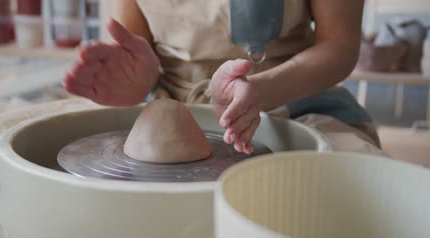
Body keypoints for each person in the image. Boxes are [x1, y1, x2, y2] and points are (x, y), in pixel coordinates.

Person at [63, 0, 381, 155]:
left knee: (359, 186)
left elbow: (338, 44)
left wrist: (260, 89)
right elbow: (132, 43)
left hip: (293, 96)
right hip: (169, 105)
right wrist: (134, 80)